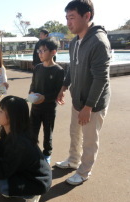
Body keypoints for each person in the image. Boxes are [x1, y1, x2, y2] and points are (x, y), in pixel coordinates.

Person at [55, 0, 111, 186]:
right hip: (77, 98)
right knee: (75, 132)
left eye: (72, 17)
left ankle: (84, 171)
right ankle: (73, 160)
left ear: (87, 16)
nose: (68, 22)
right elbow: (72, 65)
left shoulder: (98, 42)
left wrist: (88, 107)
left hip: (93, 103)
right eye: (66, 18)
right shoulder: (75, 41)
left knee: (89, 140)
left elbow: (101, 78)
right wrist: (64, 86)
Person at [28, 38, 65, 164]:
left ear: (53, 52)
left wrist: (44, 97)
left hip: (49, 108)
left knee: (47, 132)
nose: (40, 53)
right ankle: (32, 152)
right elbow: (33, 85)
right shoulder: (38, 68)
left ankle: (47, 153)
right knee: (32, 131)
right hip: (35, 107)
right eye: (39, 50)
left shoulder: (58, 70)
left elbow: (57, 92)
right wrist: (32, 93)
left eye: (44, 50)